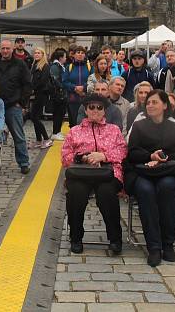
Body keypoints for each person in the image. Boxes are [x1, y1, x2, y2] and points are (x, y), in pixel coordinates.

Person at [125, 90, 175, 265]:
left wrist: (161, 159)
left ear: (165, 105)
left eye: (155, 102)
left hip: (167, 171)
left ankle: (168, 243)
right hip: (142, 171)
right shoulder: (139, 126)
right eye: (149, 102)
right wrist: (149, 157)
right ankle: (153, 246)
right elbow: (132, 152)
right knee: (145, 190)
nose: (150, 105)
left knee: (167, 188)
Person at [61, 94, 127, 254]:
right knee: (76, 193)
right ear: (85, 110)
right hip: (81, 173)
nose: (95, 110)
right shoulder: (75, 131)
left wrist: (104, 156)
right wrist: (82, 157)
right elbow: (65, 156)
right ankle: (75, 236)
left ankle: (115, 238)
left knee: (106, 194)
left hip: (107, 173)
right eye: (92, 107)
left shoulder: (114, 130)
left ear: (105, 111)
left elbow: (123, 150)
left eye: (99, 107)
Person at [0, 39, 32, 174]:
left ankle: (24, 163)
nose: (5, 51)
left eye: (8, 48)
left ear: (12, 49)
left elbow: (27, 84)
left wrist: (22, 103)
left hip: (13, 105)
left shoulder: (20, 64)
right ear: (0, 49)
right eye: (3, 48)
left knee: (18, 135)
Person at [63, 46, 91, 128]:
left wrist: (84, 88)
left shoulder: (89, 67)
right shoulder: (69, 67)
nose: (80, 54)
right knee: (74, 123)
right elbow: (65, 81)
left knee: (85, 123)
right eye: (78, 52)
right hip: (73, 100)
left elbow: (92, 80)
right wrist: (75, 88)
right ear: (74, 55)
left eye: (82, 53)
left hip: (86, 100)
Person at [30, 47, 52, 148]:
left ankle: (47, 139)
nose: (37, 54)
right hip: (36, 94)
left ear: (43, 55)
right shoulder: (34, 65)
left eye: (39, 53)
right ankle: (39, 140)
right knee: (34, 117)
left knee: (35, 117)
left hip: (41, 94)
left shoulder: (45, 66)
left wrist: (33, 88)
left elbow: (43, 81)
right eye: (35, 53)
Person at [49, 48, 68, 141]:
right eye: (65, 57)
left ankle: (58, 131)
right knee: (57, 114)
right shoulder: (55, 66)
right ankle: (55, 132)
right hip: (57, 95)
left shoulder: (60, 66)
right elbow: (55, 80)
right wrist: (62, 87)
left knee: (61, 113)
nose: (66, 58)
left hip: (61, 94)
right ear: (60, 58)